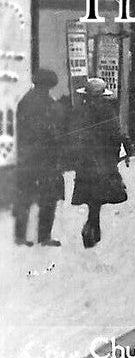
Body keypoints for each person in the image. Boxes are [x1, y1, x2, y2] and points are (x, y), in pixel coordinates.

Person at [70, 78, 134, 248]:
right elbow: (118, 132)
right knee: (98, 194)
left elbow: (73, 134)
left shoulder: (80, 111)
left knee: (91, 194)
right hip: (104, 159)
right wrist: (128, 149)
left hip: (86, 160)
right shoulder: (107, 111)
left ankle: (93, 227)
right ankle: (92, 227)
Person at [13, 69, 65, 247]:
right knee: (48, 197)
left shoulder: (26, 101)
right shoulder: (45, 104)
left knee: (25, 196)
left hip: (27, 157)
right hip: (44, 157)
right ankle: (44, 236)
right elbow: (48, 130)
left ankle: (20, 236)